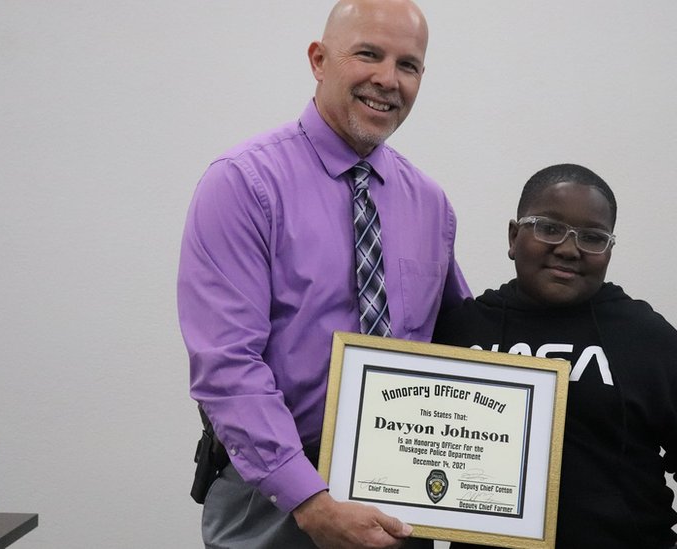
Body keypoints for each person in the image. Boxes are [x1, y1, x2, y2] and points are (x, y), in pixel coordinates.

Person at [177, 1, 470, 547]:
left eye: (408, 65)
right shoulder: (242, 185)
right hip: (271, 495)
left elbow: (460, 341)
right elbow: (226, 365)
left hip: (401, 494)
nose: (388, 79)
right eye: (368, 54)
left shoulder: (430, 204)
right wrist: (311, 500)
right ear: (318, 59)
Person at [433, 164, 677, 548]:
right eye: (548, 228)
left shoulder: (646, 336)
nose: (568, 249)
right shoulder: (458, 333)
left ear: (609, 250)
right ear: (514, 236)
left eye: (593, 238)